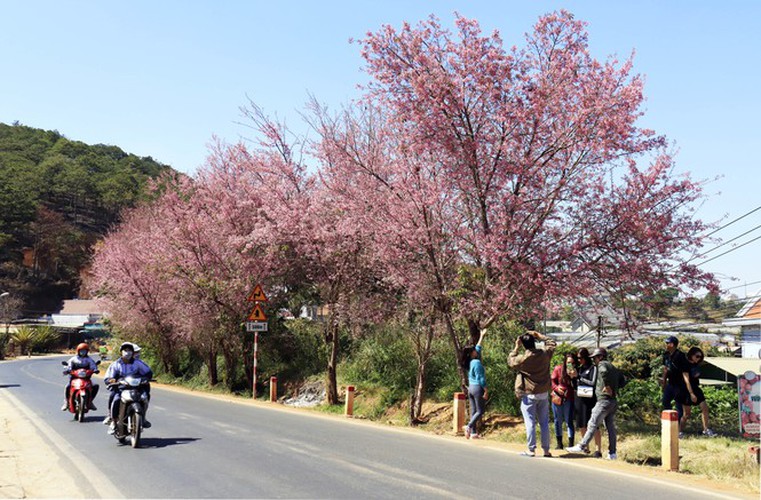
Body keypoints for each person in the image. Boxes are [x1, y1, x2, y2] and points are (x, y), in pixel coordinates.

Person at [508, 329, 556, 457]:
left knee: (530, 422)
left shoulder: (523, 359)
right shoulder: (545, 355)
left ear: (523, 345)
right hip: (544, 393)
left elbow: (511, 361)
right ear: (535, 342)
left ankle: (531, 449)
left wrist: (516, 347)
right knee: (544, 422)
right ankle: (546, 450)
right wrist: (539, 335)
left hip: (529, 394)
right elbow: (552, 343)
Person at [566, 347, 620, 460]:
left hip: (603, 400)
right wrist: (614, 390)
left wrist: (607, 386)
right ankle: (612, 453)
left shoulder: (601, 365)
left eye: (595, 357)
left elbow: (603, 372)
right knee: (610, 428)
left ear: (600, 357)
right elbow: (622, 380)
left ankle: (582, 445)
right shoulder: (612, 366)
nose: (594, 360)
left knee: (592, 423)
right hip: (613, 401)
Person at [104, 342, 153, 434]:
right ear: (121, 352)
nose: (128, 352)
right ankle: (113, 422)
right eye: (125, 350)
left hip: (136, 388)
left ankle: (143, 417)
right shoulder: (116, 364)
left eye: (130, 350)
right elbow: (108, 377)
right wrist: (111, 380)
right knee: (115, 399)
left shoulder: (138, 363)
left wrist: (146, 378)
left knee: (145, 397)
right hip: (121, 388)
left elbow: (148, 372)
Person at [678, 346, 717, 437]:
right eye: (697, 356)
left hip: (696, 388)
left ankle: (706, 430)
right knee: (687, 414)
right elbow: (686, 380)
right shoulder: (685, 365)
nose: (699, 358)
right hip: (686, 390)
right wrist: (691, 394)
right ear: (691, 355)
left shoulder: (696, 364)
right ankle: (679, 431)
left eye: (700, 357)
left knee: (705, 408)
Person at [574, 348, 602, 457]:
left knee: (594, 424)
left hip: (590, 399)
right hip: (580, 398)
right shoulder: (579, 369)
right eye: (578, 358)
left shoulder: (593, 368)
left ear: (586, 357)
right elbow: (576, 383)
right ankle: (585, 447)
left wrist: (579, 377)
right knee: (582, 424)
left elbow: (592, 382)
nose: (579, 360)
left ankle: (597, 449)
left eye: (581, 358)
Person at [461, 330, 488, 439]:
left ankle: (473, 433)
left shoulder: (470, 361)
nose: (476, 351)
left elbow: (478, 347)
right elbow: (481, 379)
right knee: (480, 411)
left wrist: (482, 335)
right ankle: (469, 426)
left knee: (474, 411)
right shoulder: (477, 363)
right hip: (477, 388)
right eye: (474, 351)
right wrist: (486, 390)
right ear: (472, 353)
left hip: (471, 388)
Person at [662, 336, 689, 434]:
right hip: (670, 383)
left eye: (668, 343)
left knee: (679, 406)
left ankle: (678, 429)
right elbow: (665, 369)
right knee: (665, 401)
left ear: (673, 344)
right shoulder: (665, 355)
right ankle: (669, 422)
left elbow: (685, 372)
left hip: (679, 384)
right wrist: (664, 382)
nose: (666, 345)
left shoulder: (681, 356)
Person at [61, 342, 99, 411]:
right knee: (67, 387)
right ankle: (66, 402)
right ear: (78, 351)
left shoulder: (89, 359)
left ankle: (90, 402)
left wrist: (95, 370)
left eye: (84, 351)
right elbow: (68, 366)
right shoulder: (73, 359)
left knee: (95, 386)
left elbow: (93, 366)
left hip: (86, 379)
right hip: (74, 378)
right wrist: (67, 370)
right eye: (81, 351)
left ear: (87, 351)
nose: (83, 352)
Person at [551, 353, 576, 449]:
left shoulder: (575, 371)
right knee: (558, 420)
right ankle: (559, 444)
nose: (570, 364)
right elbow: (552, 381)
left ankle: (571, 444)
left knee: (569, 421)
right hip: (558, 398)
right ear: (565, 361)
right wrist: (557, 388)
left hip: (568, 398)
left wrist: (574, 377)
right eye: (568, 362)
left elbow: (576, 386)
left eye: (572, 363)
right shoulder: (558, 369)